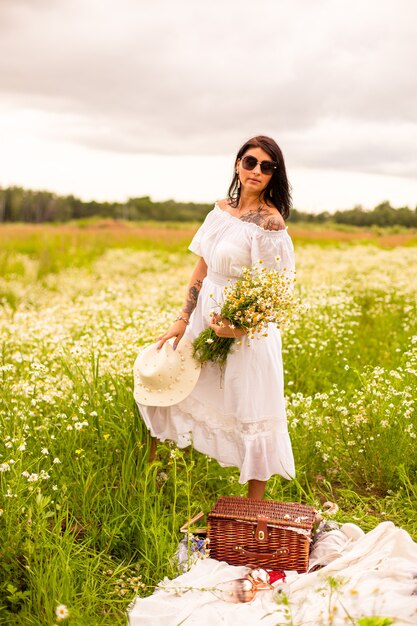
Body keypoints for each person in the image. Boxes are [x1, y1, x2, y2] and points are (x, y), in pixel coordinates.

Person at [136, 135, 296, 499]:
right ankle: (153, 481)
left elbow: (276, 290)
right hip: (204, 317)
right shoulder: (221, 209)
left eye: (266, 167)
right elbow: (202, 266)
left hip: (247, 331)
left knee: (250, 406)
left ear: (274, 175)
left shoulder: (270, 224)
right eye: (250, 162)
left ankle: (253, 510)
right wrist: (182, 318)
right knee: (165, 382)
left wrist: (239, 327)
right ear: (238, 164)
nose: (257, 171)